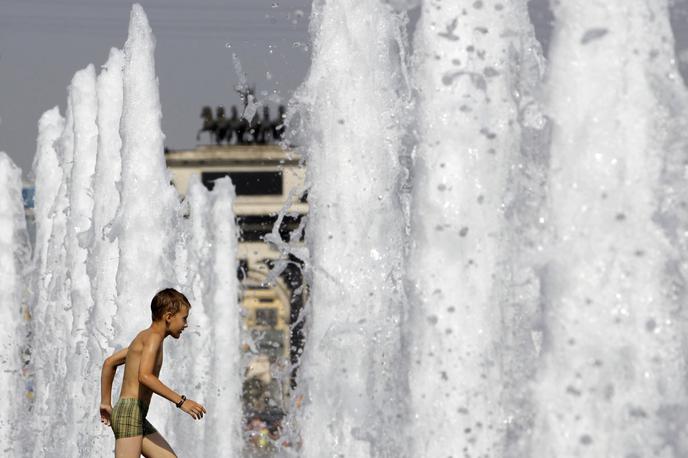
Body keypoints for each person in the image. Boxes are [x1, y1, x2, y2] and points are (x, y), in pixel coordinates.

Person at [99, 288, 206, 457]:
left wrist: (106, 403)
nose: (186, 324)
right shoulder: (153, 338)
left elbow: (109, 363)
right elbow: (145, 376)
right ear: (169, 317)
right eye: (184, 318)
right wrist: (181, 401)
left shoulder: (145, 338)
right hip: (130, 412)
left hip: (135, 413)